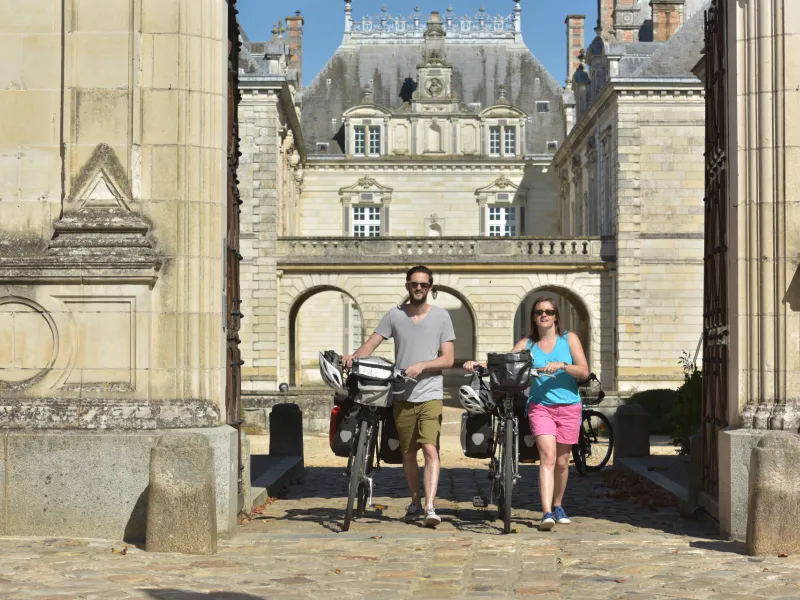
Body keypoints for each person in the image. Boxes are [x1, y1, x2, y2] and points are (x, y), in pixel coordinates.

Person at [463, 296, 588, 531]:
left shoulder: (568, 339)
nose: (544, 315)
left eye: (549, 312)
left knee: (562, 462)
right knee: (548, 457)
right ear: (534, 317)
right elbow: (503, 363)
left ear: (555, 316)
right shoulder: (527, 344)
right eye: (539, 311)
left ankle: (558, 504)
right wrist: (477, 364)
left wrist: (562, 365)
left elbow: (583, 371)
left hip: (570, 406)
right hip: (540, 406)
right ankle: (547, 512)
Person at [344, 266, 455, 528]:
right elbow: (371, 345)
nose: (419, 288)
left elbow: (448, 359)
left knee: (430, 447)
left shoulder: (441, 317)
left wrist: (423, 365)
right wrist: (352, 357)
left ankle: (429, 506)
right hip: (402, 393)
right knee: (408, 453)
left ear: (431, 287)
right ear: (407, 285)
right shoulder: (394, 315)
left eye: (424, 285)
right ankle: (415, 500)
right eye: (414, 284)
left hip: (430, 393)